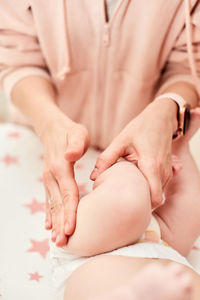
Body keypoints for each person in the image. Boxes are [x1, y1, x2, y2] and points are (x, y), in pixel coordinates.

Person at [0, 0, 200, 299]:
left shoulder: (158, 230)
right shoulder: (91, 239)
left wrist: (171, 119)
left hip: (163, 277)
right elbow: (16, 56)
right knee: (127, 203)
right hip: (112, 276)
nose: (131, 166)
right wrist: (50, 124)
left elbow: (189, 63)